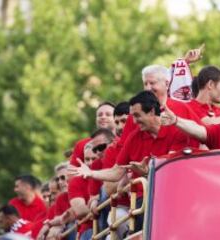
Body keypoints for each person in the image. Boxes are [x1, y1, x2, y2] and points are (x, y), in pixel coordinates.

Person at [69, 91, 191, 232]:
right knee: (139, 219)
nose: (133, 122)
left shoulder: (176, 131)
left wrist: (147, 172)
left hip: (172, 194)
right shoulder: (134, 137)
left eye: (137, 116)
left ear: (151, 111)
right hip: (144, 199)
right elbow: (116, 172)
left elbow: (172, 170)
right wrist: (91, 173)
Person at [70, 102, 116, 167]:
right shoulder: (81, 145)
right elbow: (72, 172)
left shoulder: (123, 142)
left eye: (108, 114)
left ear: (116, 118)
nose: (103, 117)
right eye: (99, 115)